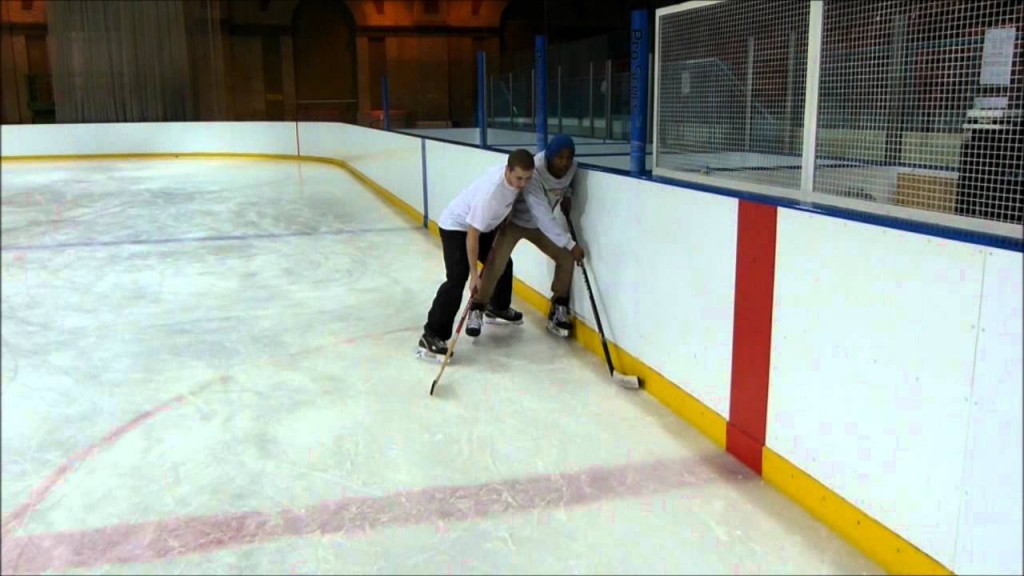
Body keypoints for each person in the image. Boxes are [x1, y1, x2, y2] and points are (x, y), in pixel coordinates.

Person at [417, 148, 536, 362]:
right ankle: (432, 335)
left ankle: (497, 307)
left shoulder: (512, 179)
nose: (523, 184)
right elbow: (472, 234)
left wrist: (504, 218)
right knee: (457, 278)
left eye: (527, 179)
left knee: (502, 262)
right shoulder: (491, 193)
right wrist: (474, 274)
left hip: (483, 226)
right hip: (457, 227)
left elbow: (507, 202)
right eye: (519, 178)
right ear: (508, 171)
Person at [468, 134, 584, 339]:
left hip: (540, 228)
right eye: (560, 157)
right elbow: (542, 214)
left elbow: (566, 184)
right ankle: (477, 307)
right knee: (496, 263)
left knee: (565, 258)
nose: (565, 162)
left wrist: (567, 196)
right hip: (514, 223)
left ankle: (558, 307)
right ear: (549, 155)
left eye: (569, 157)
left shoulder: (572, 167)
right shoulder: (535, 171)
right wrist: (570, 243)